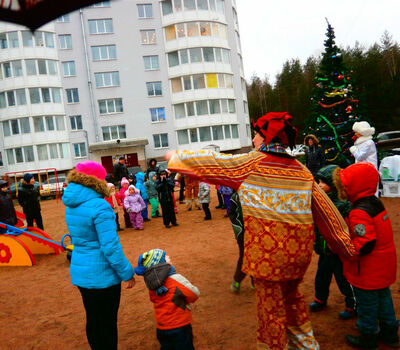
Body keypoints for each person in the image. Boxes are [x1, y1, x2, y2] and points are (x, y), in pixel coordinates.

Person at [166, 112, 356, 349]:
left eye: (256, 135)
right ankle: (306, 345)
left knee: (271, 313)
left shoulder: (251, 164)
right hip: (297, 258)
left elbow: (215, 163)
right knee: (293, 301)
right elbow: (329, 216)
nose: (254, 140)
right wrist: (347, 248)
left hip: (267, 260)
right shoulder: (302, 171)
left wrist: (178, 157)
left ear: (264, 137)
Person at [62, 160, 135, 350]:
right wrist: (126, 272)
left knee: (93, 319)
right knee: (107, 323)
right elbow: (110, 247)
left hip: (82, 272)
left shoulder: (72, 203)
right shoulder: (99, 206)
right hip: (103, 275)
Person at [334, 162, 399, 349]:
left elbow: (365, 244)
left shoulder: (359, 212)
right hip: (383, 265)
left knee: (366, 304)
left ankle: (368, 335)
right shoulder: (374, 203)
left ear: (355, 186)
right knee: (384, 297)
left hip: (368, 269)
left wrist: (347, 252)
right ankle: (389, 332)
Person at [308, 165, 356, 320]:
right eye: (319, 182)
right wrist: (317, 244)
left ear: (334, 184)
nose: (320, 185)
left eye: (323, 182)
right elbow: (317, 226)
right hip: (324, 250)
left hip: (338, 252)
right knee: (321, 277)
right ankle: (320, 298)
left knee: (344, 279)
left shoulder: (343, 205)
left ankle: (352, 305)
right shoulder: (321, 202)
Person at [134, 249, 200, 350]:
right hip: (179, 325)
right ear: (161, 264)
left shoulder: (152, 284)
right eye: (165, 256)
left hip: (162, 327)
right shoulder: (176, 279)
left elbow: (153, 299)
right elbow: (194, 294)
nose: (168, 256)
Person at [228, 191, 253, 293]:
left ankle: (254, 282)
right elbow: (233, 216)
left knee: (257, 256)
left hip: (256, 232)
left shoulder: (255, 194)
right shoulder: (236, 197)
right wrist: (240, 232)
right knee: (245, 257)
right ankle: (237, 281)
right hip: (243, 233)